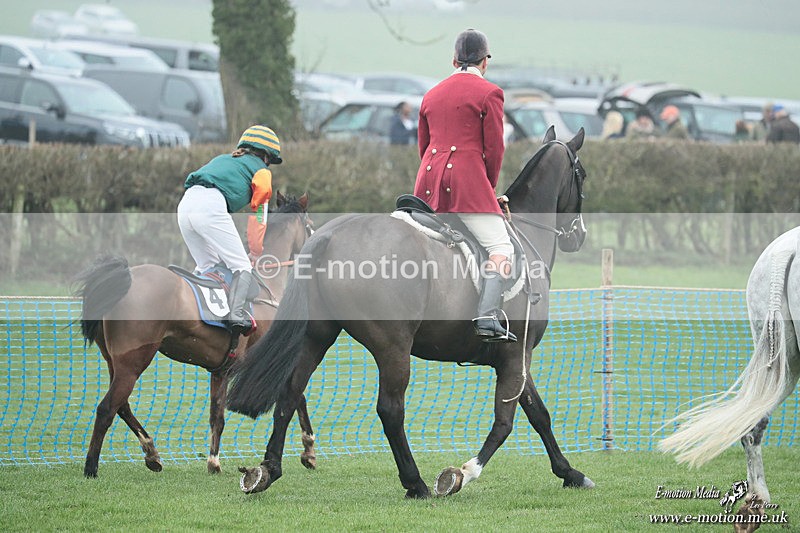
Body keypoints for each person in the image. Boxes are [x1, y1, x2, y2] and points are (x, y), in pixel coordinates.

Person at [414, 28, 516, 343]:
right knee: (501, 247)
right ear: (485, 62)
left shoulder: (432, 94)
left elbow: (424, 145)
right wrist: (488, 190)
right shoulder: (490, 93)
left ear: (454, 60)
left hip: (428, 184)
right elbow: (495, 150)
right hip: (467, 185)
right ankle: (486, 316)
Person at [177, 125, 281, 335]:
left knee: (208, 266)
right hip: (209, 206)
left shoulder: (224, 159)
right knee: (241, 265)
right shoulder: (261, 171)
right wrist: (255, 250)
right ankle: (236, 314)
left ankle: (199, 317)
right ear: (266, 156)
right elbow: (259, 214)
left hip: (185, 205)